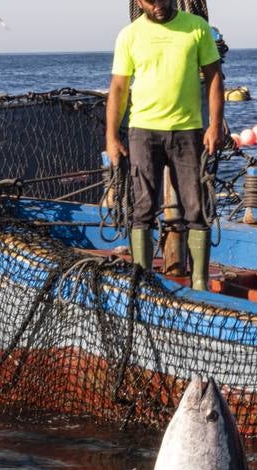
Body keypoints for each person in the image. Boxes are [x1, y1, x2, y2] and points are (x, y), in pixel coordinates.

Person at [106, 0, 224, 290]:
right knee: (143, 207)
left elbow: (214, 77)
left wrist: (214, 125)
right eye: (149, 0)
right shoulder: (129, 35)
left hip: (188, 132)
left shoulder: (197, 28)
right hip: (143, 133)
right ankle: (142, 282)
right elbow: (119, 88)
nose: (157, 4)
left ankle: (199, 284)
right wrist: (111, 137)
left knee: (196, 208)